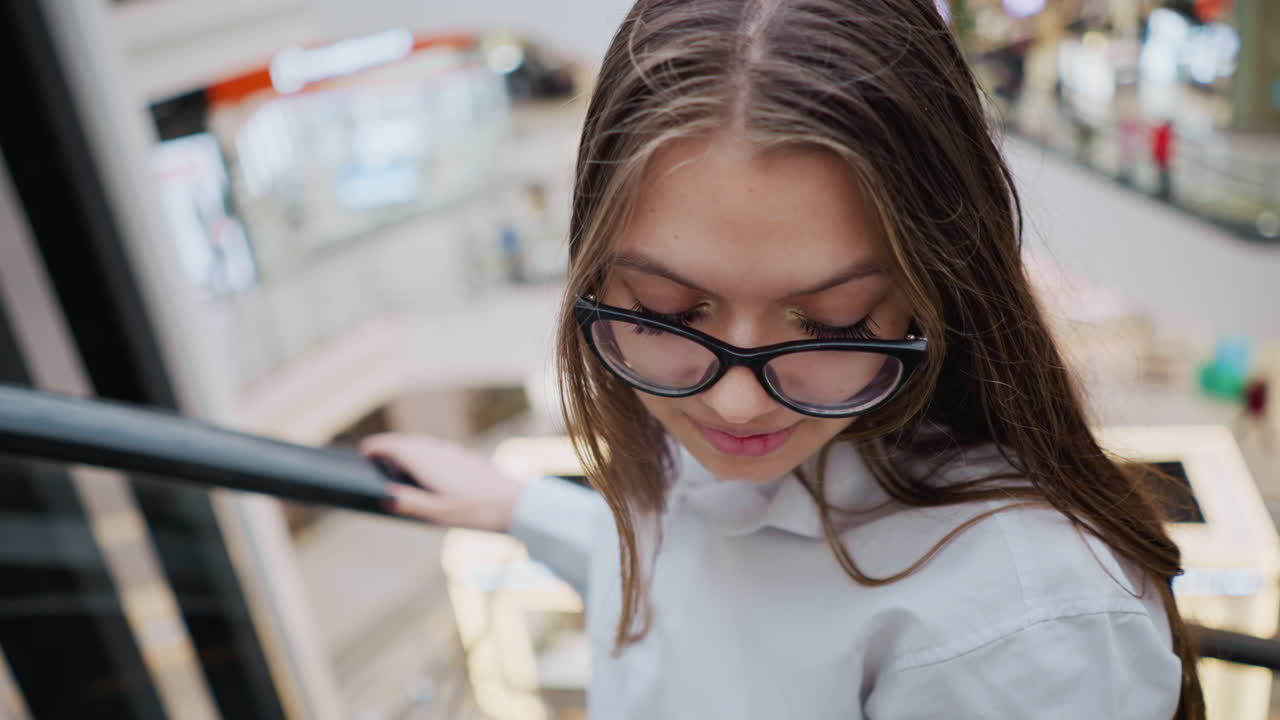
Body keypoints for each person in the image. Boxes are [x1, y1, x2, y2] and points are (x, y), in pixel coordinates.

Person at [362, 1, 1204, 717]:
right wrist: (520, 508)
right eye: (666, 311)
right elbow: (698, 563)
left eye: (829, 321)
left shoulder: (1027, 625)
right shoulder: (714, 449)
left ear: (935, 283)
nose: (734, 405)